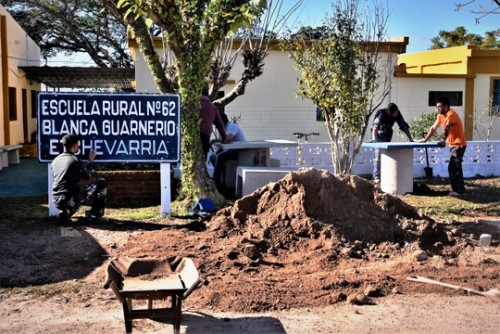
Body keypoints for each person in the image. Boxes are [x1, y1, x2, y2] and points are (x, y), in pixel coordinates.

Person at [51, 134, 107, 224]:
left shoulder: (55, 160)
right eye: (78, 144)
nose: (79, 146)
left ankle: (66, 212)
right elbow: (88, 176)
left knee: (73, 192)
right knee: (101, 183)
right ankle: (94, 216)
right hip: (70, 198)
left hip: (57, 200)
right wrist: (90, 160)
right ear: (74, 146)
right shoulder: (75, 160)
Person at [419, 97, 467, 196]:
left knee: (454, 167)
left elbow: (448, 127)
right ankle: (459, 190)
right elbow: (433, 128)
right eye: (437, 107)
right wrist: (425, 139)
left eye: (440, 107)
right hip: (453, 145)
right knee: (455, 167)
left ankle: (458, 191)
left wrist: (442, 140)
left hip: (459, 144)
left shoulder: (451, 114)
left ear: (446, 106)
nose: (438, 109)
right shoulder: (440, 116)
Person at [371, 103, 413, 183]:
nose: (395, 115)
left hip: (388, 132)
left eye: (395, 113)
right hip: (378, 134)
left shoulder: (397, 113)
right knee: (378, 155)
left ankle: (385, 175)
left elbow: (403, 126)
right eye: (393, 114)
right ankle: (376, 176)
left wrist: (410, 138)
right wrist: (374, 140)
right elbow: (375, 128)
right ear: (388, 112)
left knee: (386, 154)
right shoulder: (381, 113)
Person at [211, 113, 246, 191]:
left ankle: (215, 180)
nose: (215, 125)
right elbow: (221, 144)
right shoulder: (223, 128)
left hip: (239, 150)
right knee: (212, 157)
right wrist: (215, 152)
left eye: (216, 122)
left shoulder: (232, 126)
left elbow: (227, 138)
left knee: (220, 157)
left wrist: (214, 140)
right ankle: (220, 179)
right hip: (230, 149)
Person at [199, 85, 226, 157]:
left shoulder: (194, 103)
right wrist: (224, 137)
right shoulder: (212, 107)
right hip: (206, 133)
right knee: (203, 155)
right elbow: (219, 124)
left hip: (194, 131)